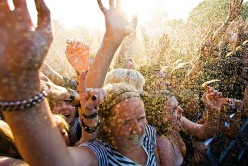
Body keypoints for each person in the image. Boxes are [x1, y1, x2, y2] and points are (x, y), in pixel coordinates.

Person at [0, 0, 163, 165]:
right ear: (106, 125)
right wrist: (21, 85)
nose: (137, 129)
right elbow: (56, 162)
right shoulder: (99, 153)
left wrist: (114, 39)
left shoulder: (148, 135)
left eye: (141, 118)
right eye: (126, 122)